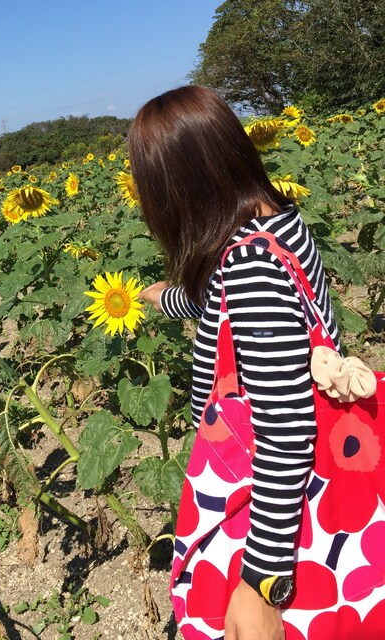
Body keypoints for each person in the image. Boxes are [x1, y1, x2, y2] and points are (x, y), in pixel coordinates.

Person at [128, 85, 340, 640]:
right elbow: (220, 301)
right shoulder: (276, 225)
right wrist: (165, 298)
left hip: (270, 491)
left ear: (179, 190)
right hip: (288, 476)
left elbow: (287, 429)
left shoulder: (248, 265)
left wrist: (263, 579)